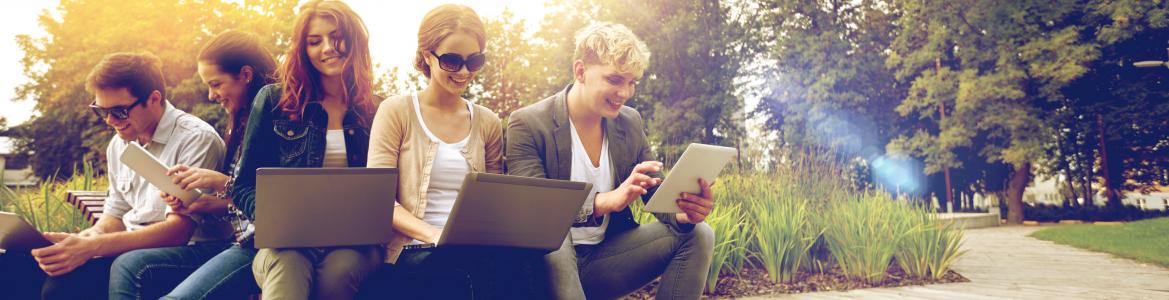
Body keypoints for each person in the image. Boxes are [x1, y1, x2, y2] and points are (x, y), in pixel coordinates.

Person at [505, 22, 716, 299]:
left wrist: (683, 213)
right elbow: (536, 213)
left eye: (632, 83)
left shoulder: (629, 122)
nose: (625, 93)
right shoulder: (528, 123)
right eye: (615, 80)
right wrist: (605, 201)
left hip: (604, 261)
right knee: (555, 239)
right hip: (544, 269)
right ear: (580, 71)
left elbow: (654, 190)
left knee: (699, 233)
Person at [0, 51, 230, 300]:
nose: (110, 121)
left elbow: (178, 231)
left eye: (119, 111)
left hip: (185, 252)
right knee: (16, 266)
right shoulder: (119, 144)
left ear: (154, 99)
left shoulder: (195, 139)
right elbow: (114, 218)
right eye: (101, 111)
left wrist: (91, 248)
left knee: (64, 286)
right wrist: (79, 240)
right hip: (128, 247)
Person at [359, 4, 539, 299]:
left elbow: (492, 202)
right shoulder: (396, 111)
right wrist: (435, 235)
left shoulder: (488, 122)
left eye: (475, 60)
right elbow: (377, 200)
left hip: (475, 249)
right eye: (453, 61)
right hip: (412, 250)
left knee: (520, 264)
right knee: (464, 273)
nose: (465, 72)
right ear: (427, 56)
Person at [107, 29, 278, 300]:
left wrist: (219, 182)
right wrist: (204, 204)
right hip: (244, 241)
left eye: (216, 84)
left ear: (246, 75)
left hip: (260, 246)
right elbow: (249, 204)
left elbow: (281, 204)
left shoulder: (280, 122)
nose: (210, 95)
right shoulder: (240, 122)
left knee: (136, 271)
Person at [230, 1, 381, 299]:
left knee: (338, 274)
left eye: (337, 37)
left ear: (354, 41)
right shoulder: (274, 101)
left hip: (353, 243)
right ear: (303, 49)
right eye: (315, 41)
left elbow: (390, 187)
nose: (327, 48)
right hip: (287, 242)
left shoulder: (376, 109)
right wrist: (275, 220)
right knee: (288, 263)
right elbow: (243, 184)